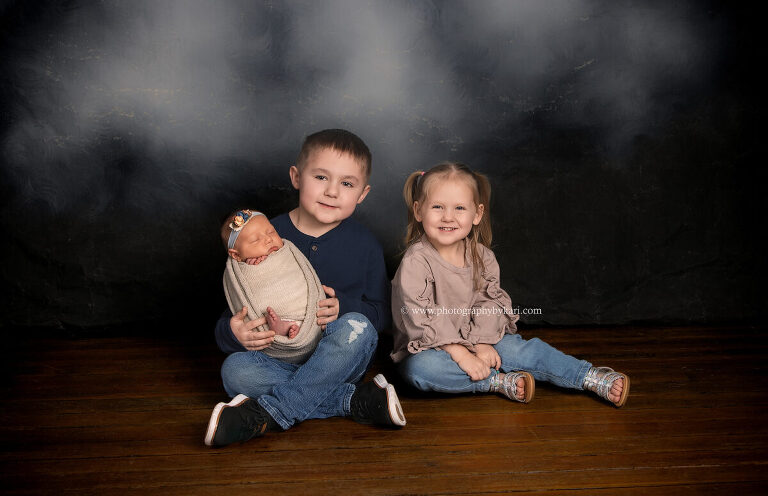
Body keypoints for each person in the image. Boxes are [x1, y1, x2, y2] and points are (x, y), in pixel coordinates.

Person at [205, 129, 406, 448]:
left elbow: (382, 316)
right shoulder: (264, 235)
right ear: (296, 177)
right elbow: (230, 312)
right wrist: (234, 332)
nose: (332, 192)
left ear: (362, 194)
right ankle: (353, 402)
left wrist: (346, 305)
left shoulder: (365, 244)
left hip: (340, 357)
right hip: (280, 359)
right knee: (235, 371)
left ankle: (265, 415)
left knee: (358, 326)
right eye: (321, 177)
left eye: (347, 183)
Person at [390, 162, 630, 407]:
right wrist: (461, 354)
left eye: (459, 208)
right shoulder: (416, 261)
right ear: (419, 211)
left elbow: (490, 301)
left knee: (522, 350)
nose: (448, 217)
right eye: (438, 207)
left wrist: (482, 343)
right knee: (419, 370)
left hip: (477, 335)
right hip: (433, 345)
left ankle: (584, 375)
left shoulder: (482, 257)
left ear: (477, 214)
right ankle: (495, 381)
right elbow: (419, 315)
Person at [221, 209, 324, 358]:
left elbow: (298, 276)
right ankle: (283, 327)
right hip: (270, 338)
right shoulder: (240, 270)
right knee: (233, 367)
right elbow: (245, 296)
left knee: (353, 326)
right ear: (236, 255)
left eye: (271, 232)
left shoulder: (287, 250)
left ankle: (293, 326)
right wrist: (252, 270)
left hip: (311, 321)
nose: (268, 240)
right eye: (255, 240)